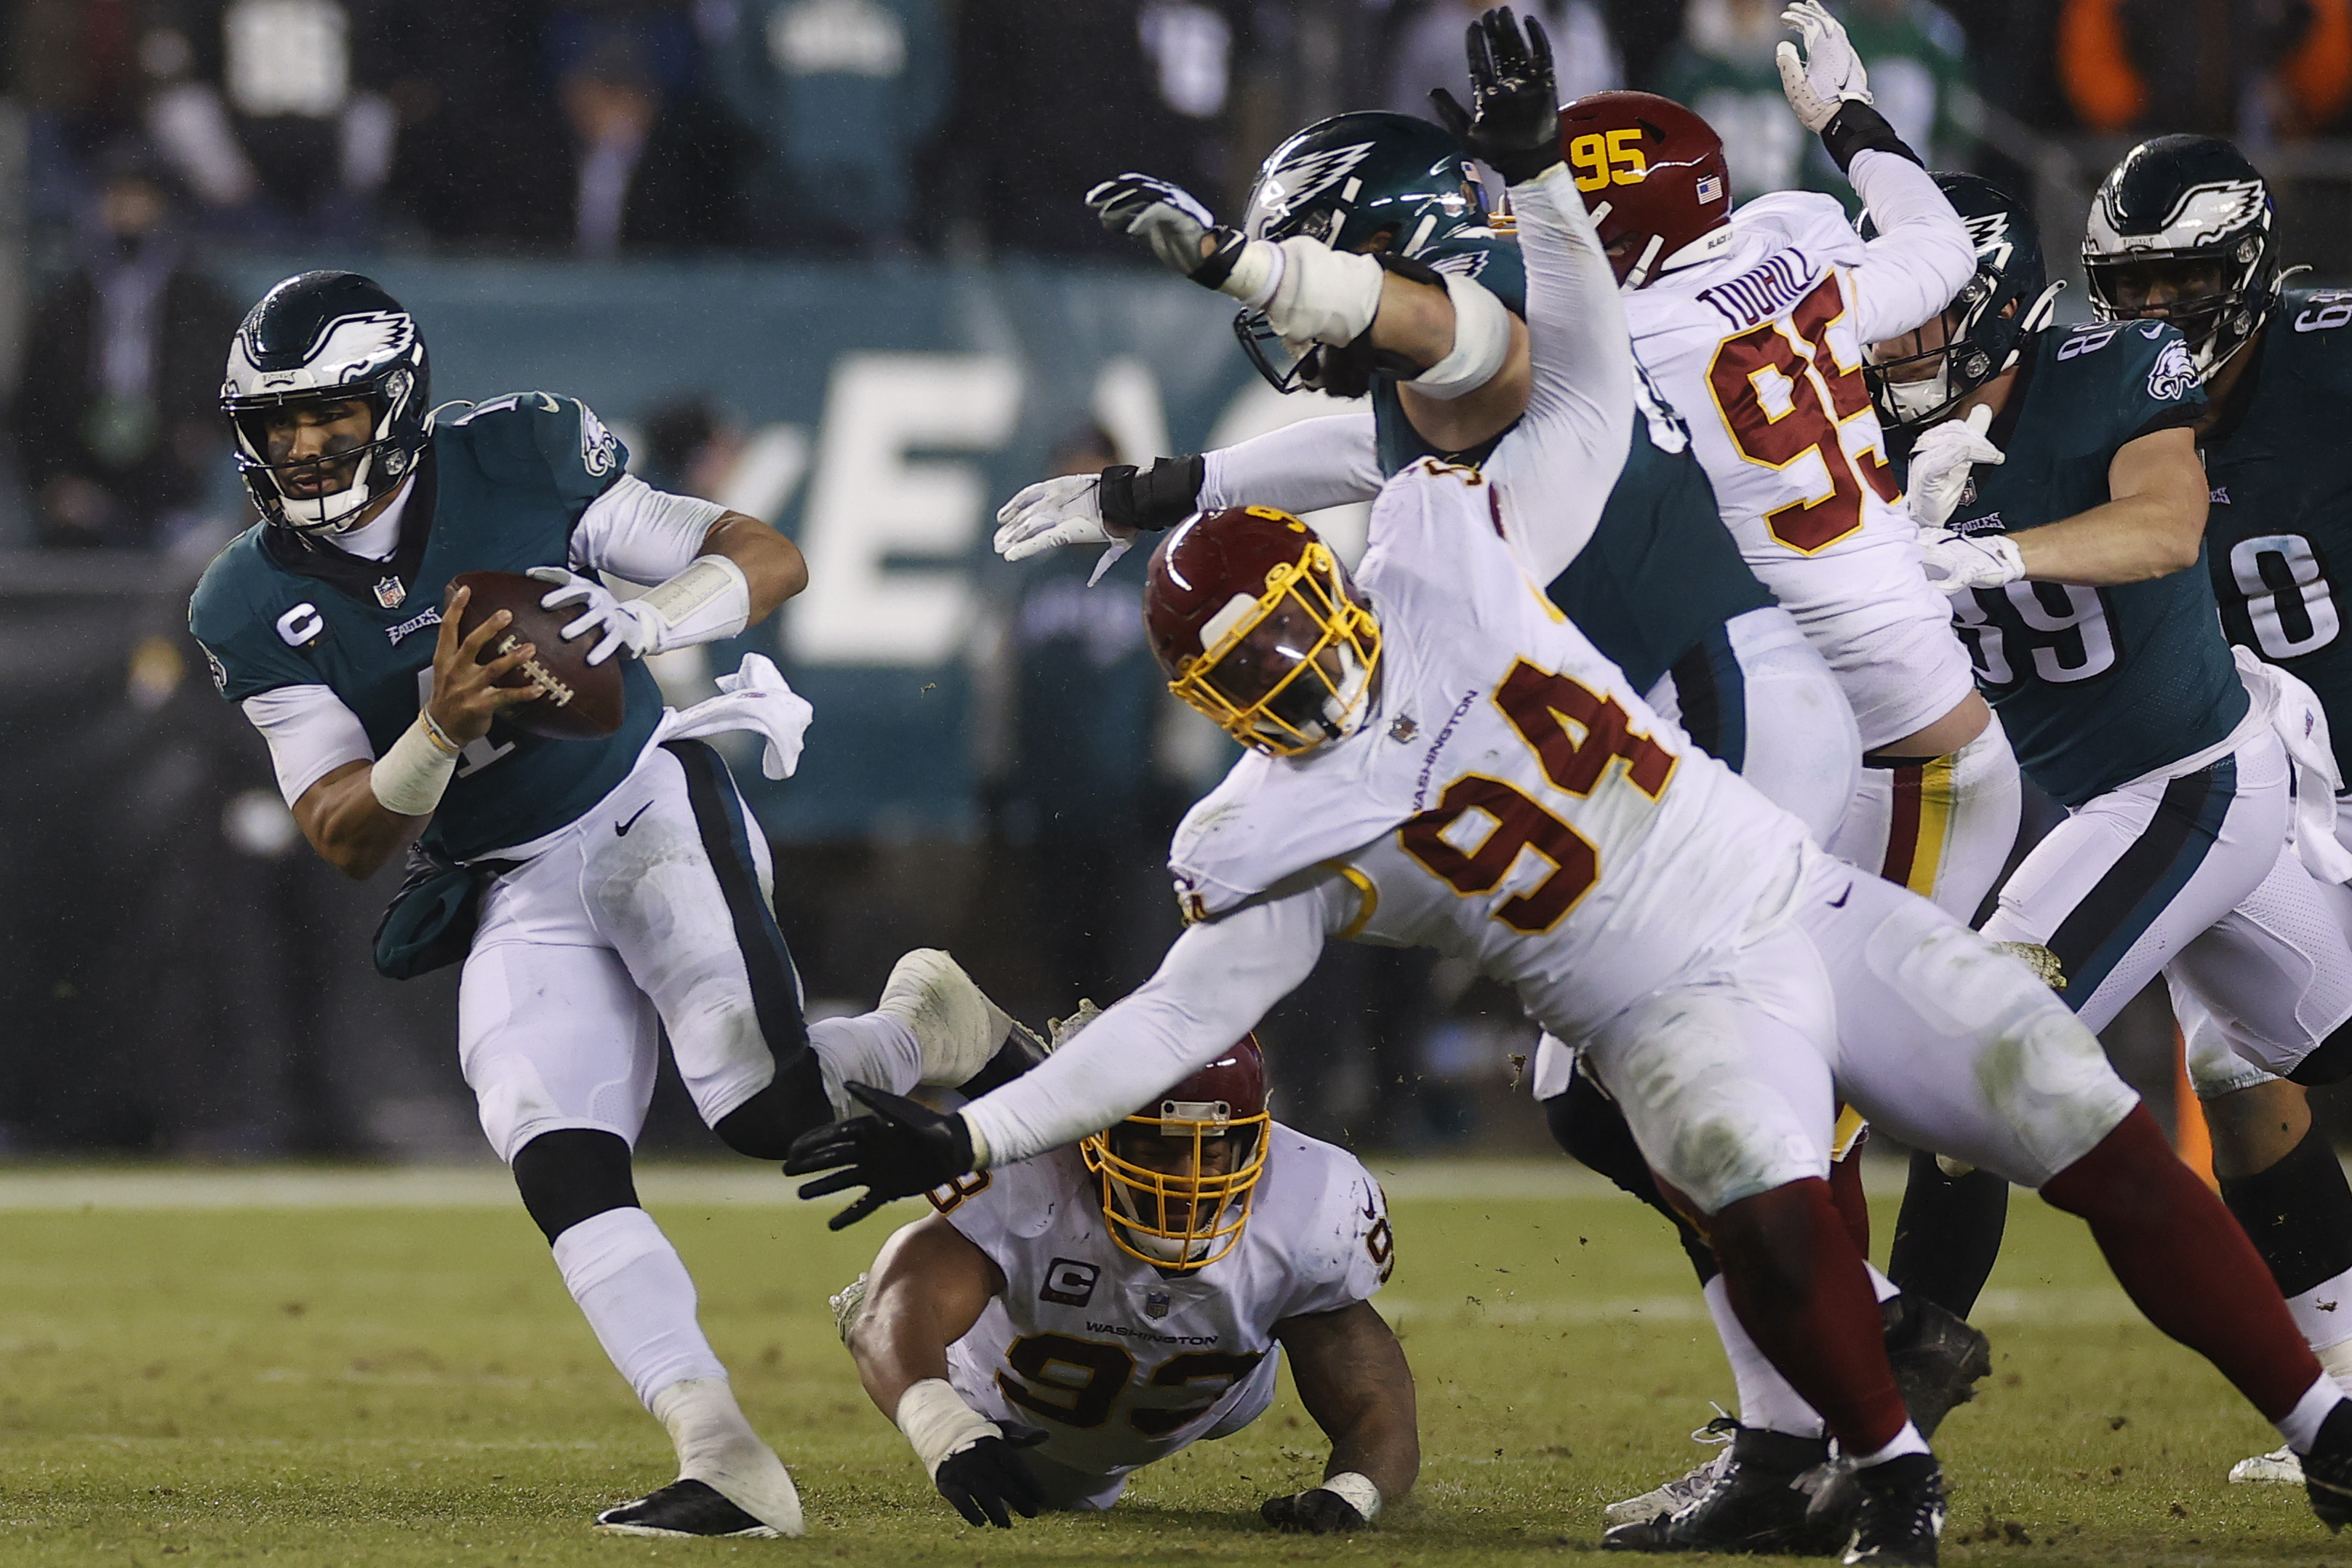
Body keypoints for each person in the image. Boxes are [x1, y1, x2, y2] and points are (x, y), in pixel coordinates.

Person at [788, 23, 2352, 1556]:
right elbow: (1446, 396)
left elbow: (1438, 386)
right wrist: (1808, 127)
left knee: (1808, 1138)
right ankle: (1895, 1431)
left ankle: (1866, 1411)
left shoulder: (1343, 705)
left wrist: (975, 1133)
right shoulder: (1474, 532)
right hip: (1792, 806)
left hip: (1825, 764)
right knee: (1962, 1128)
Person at [996, 7, 2009, 1539]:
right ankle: (1825, 1395)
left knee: (1750, 1092)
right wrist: (1168, 485)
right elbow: (1386, 430)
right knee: (1613, 1095)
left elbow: (1431, 359)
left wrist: (1239, 283)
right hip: (1757, 703)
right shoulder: (1763, 264)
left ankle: (1854, 1397)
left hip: (1774, 708)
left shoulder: (1588, 327)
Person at [183, 270, 1033, 1537]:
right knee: (545, 1128)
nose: (305, 445)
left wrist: (640, 618)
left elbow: (765, 553)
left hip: (641, 799)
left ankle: (926, 1027)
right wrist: (433, 727)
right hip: (508, 873)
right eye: (280, 422)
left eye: (332, 412)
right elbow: (346, 832)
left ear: (398, 400)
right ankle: (724, 1451)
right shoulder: (247, 599)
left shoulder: (522, 451)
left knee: (769, 1115)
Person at [2073, 132, 2352, 1487]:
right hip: (2243, 785)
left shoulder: (2331, 355)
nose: (2145, 317)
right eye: (2123, 289)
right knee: (2241, 1079)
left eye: (2174, 284)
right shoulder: (2098, 408)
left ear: (2241, 270)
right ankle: (2344, 1397)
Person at [832, 1030, 1417, 1531]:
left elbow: (1375, 1403)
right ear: (1094, 1137)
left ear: (1254, 1141)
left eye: (1210, 1150)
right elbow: (893, 1313)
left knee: (1272, 1331)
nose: (1184, 1179)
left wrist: (1350, 1496)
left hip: (1221, 1385)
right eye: (1155, 1148)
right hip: (1013, 1402)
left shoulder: (1309, 1201)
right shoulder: (1029, 1172)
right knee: (1040, 1487)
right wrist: (947, 1431)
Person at [11, 137, 240, 549]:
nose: (127, 208)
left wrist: (198, 436)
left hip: (173, 474)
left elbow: (225, 385)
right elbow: (33, 406)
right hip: (83, 470)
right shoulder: (64, 304)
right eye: (116, 194)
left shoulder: (201, 299)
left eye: (139, 195)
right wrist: (54, 482)